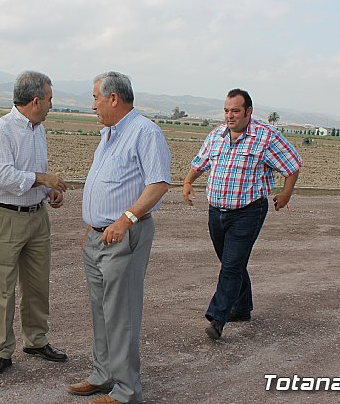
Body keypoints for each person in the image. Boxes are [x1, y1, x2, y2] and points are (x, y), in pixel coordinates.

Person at [67, 72, 171, 404]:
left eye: (95, 97)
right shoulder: (110, 134)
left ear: (114, 99)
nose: (92, 104)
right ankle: (103, 375)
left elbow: (157, 184)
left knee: (121, 313)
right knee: (101, 310)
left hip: (123, 236)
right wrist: (94, 224)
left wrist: (125, 220)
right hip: (99, 237)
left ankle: (126, 391)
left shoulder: (145, 132)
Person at [182, 88, 302, 340]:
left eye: (235, 111)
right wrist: (188, 181)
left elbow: (292, 165)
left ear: (249, 111)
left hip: (248, 211)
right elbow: (200, 161)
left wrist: (286, 194)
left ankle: (218, 318)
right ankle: (242, 308)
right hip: (217, 211)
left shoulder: (266, 137)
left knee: (232, 265)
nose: (230, 116)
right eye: (226, 110)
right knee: (231, 263)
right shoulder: (216, 136)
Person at [0, 70, 68, 378]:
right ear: (35, 101)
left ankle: (36, 340)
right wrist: (43, 179)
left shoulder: (37, 129)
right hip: (5, 216)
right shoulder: (1, 131)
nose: (51, 106)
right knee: (2, 288)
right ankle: (2, 350)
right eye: (49, 99)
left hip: (36, 217)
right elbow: (4, 177)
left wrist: (49, 192)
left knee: (36, 284)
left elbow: (34, 174)